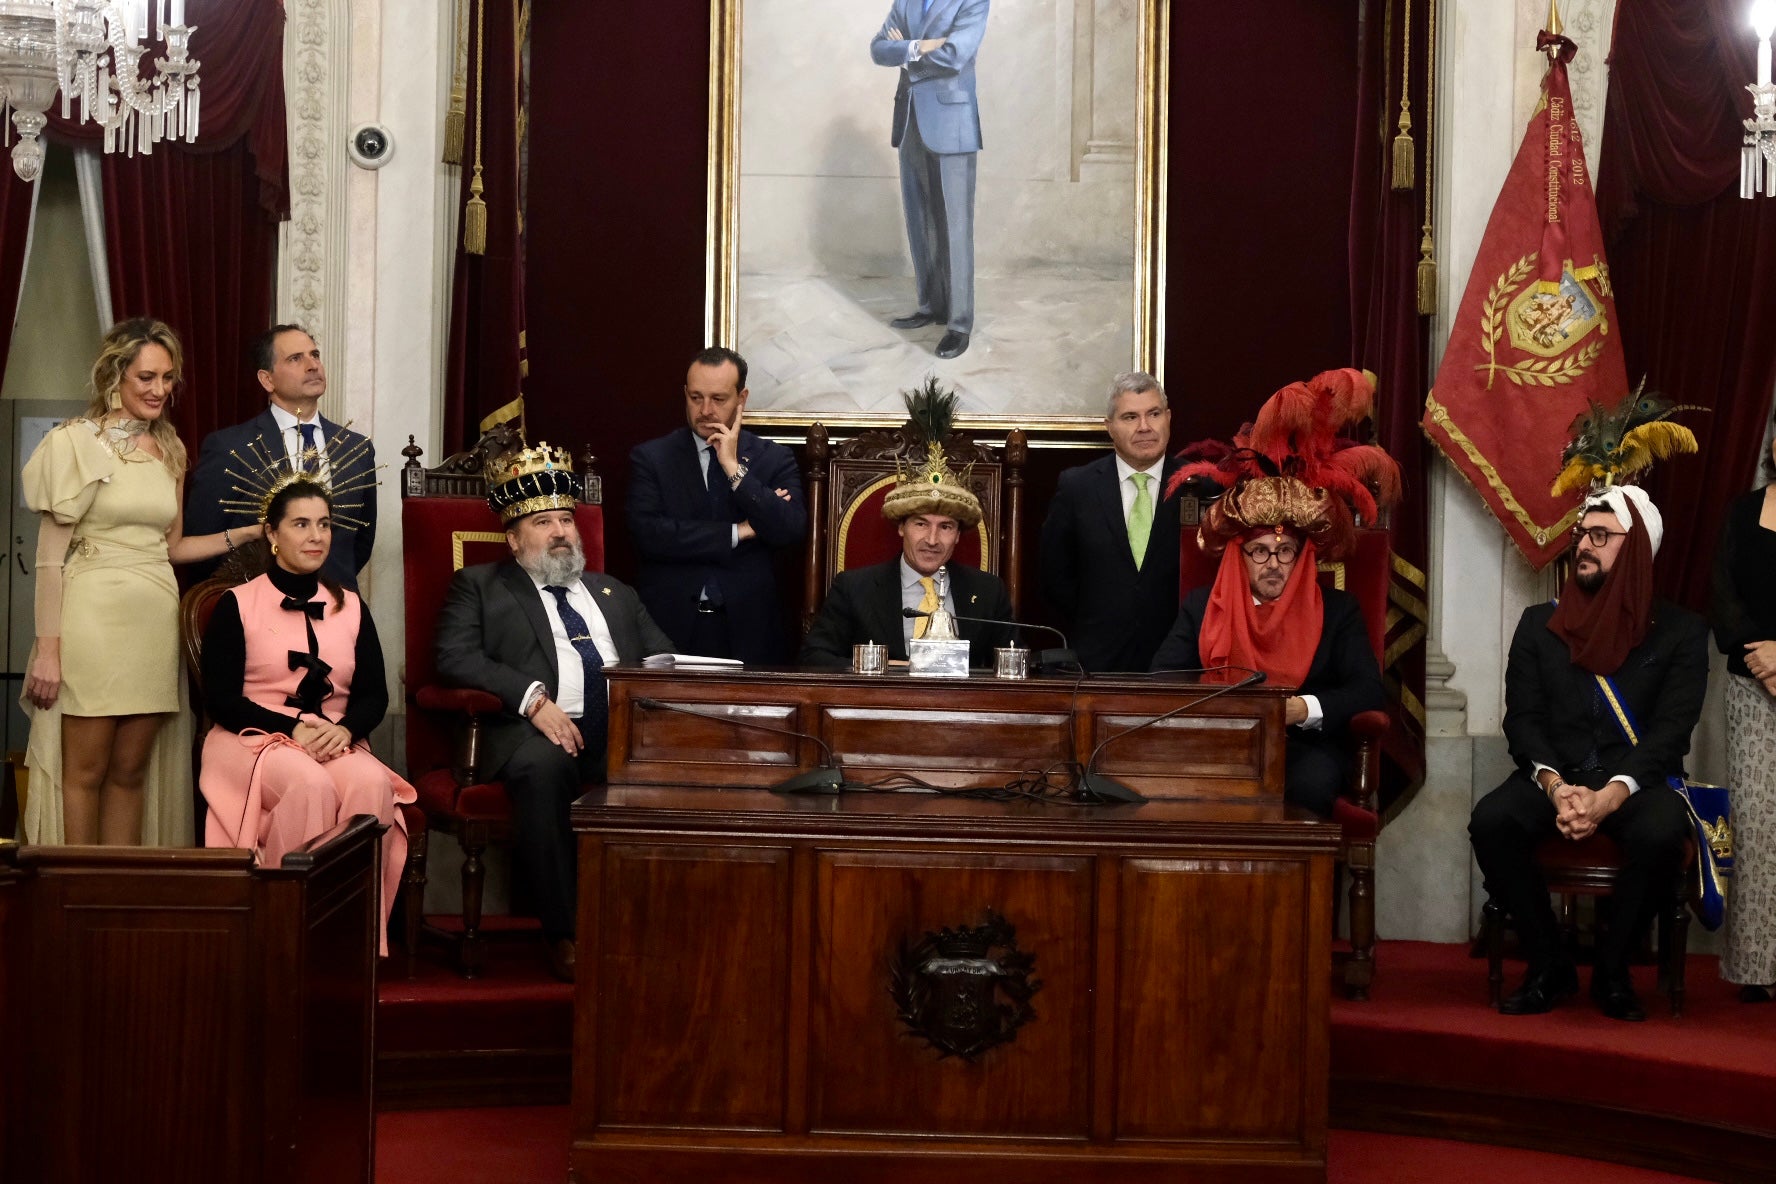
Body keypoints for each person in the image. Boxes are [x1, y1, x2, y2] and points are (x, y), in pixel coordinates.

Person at [436, 441, 675, 981]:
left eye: (566, 518)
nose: (562, 531)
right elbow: (454, 657)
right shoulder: (479, 586)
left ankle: (661, 925)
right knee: (544, 770)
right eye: (544, 522)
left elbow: (663, 659)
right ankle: (567, 931)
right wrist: (532, 699)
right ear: (514, 538)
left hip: (621, 732)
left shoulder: (614, 591)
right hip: (530, 734)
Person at [1471, 486, 1706, 1021]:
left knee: (1660, 832)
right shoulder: (1539, 624)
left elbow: (1671, 733)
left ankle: (1613, 970)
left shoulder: (1682, 633)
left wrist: (1608, 796)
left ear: (1638, 548)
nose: (1584, 546)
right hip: (1558, 777)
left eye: (1601, 536)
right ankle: (1550, 964)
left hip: (1637, 783)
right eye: (1582, 535)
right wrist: (1556, 788)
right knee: (1492, 820)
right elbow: (1522, 720)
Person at [19, 318, 256, 847]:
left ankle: (118, 906)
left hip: (152, 622)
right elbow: (50, 559)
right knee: (86, 773)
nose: (159, 390)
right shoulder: (75, 443)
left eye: (168, 378)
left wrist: (248, 532)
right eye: (146, 377)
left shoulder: (168, 449)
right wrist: (48, 651)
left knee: (129, 774)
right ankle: (75, 899)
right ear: (115, 376)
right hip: (93, 619)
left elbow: (172, 548)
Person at [1151, 369, 1399, 817]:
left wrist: (1304, 708)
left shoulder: (1337, 610)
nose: (1273, 564)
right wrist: (1223, 712)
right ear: (1238, 556)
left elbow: (1368, 691)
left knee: (1308, 783)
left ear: (1304, 557)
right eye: (1260, 551)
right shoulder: (1204, 605)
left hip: (1301, 747)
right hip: (1219, 740)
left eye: (1285, 551)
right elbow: (1163, 679)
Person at [198, 476, 414, 955]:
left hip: (333, 738)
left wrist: (345, 731)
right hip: (251, 737)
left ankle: (353, 941)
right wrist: (292, 728)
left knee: (371, 785)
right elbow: (222, 700)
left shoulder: (353, 607)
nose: (316, 535)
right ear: (273, 535)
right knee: (308, 784)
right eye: (301, 524)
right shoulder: (238, 603)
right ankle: (284, 931)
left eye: (324, 524)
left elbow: (373, 696)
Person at [627, 347, 806, 664]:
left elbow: (789, 529)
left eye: (718, 399)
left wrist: (734, 469)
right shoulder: (652, 458)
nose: (705, 409)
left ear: (742, 397)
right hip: (671, 629)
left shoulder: (773, 458)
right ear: (685, 393)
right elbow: (652, 535)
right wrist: (740, 531)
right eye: (696, 398)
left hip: (750, 631)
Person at [186, 324, 377, 590]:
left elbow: (360, 542)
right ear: (267, 379)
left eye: (315, 355)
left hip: (338, 606)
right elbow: (200, 545)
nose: (312, 365)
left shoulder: (356, 449)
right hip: (258, 610)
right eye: (295, 358)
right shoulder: (231, 447)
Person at [801, 434, 1012, 668]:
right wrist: (878, 667)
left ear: (958, 535)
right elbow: (814, 658)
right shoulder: (854, 588)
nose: (932, 540)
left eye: (945, 527)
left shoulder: (988, 592)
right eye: (921, 524)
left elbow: (1013, 663)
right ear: (901, 527)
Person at [870, 0, 990, 360]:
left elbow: (956, 55)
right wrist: (920, 47)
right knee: (920, 221)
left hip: (952, 121)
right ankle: (930, 306)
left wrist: (905, 54)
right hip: (910, 121)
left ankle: (959, 324)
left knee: (955, 226)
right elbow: (877, 48)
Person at [1040, 372, 1181, 672]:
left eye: (1153, 414)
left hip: (1180, 664)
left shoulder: (1198, 485)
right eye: (1130, 417)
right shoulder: (1077, 487)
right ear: (1110, 427)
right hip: (1096, 661)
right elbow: (1055, 576)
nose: (1145, 427)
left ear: (1168, 418)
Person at [1710, 429, 1776, 1002]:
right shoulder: (1744, 512)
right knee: (1755, 827)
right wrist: (1763, 655)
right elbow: (1723, 593)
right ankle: (1754, 969)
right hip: (1751, 686)